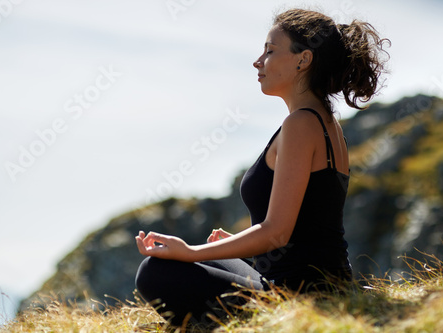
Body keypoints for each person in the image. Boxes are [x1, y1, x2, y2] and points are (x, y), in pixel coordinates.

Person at [134, 8, 389, 326]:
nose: (258, 61)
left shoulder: (300, 124)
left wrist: (191, 251)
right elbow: (306, 229)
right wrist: (236, 245)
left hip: (300, 296)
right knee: (207, 262)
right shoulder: (324, 122)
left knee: (156, 271)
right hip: (320, 283)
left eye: (270, 51)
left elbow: (277, 233)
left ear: (303, 60)